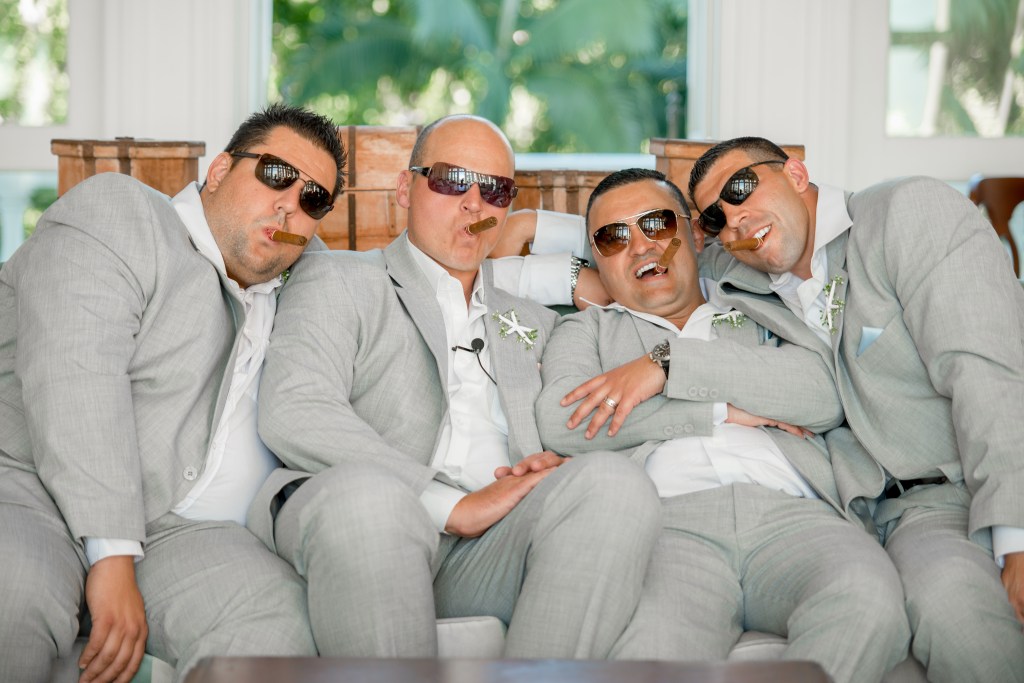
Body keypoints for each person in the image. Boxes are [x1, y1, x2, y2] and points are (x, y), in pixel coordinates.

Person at [256, 114, 661, 658]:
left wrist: (556, 463)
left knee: (615, 483)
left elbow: (654, 266)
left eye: (496, 191)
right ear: (406, 189)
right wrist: (451, 506)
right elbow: (295, 409)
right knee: (372, 502)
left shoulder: (537, 321)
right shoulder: (339, 278)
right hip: (367, 521)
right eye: (451, 180)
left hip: (495, 546)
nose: (475, 205)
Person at [0, 103, 346, 683]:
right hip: (28, 491)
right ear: (220, 170)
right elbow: (75, 373)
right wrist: (112, 554)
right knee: (14, 596)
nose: (290, 203)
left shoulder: (307, 283)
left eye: (314, 199)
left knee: (277, 625)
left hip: (177, 531)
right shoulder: (121, 213)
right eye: (276, 174)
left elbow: (404, 296)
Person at [534, 168, 910, 683]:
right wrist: (721, 411)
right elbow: (562, 421)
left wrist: (668, 369)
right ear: (598, 258)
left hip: (796, 514)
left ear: (694, 234)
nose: (641, 247)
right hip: (669, 526)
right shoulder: (587, 331)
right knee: (650, 653)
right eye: (613, 237)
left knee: (871, 604)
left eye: (657, 224)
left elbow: (823, 394)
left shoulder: (758, 304)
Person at [688, 137, 1024, 683]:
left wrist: (1017, 537)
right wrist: (549, 252)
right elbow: (641, 247)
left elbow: (989, 371)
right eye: (714, 217)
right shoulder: (731, 270)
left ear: (796, 174)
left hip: (951, 494)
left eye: (741, 188)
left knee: (958, 618)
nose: (734, 219)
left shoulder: (907, 212)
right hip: (840, 519)